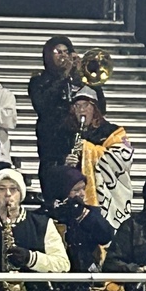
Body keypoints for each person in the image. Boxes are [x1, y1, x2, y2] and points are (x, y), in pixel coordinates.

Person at [64, 85, 133, 230]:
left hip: (107, 197)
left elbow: (124, 157)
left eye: (85, 105)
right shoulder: (69, 133)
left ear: (95, 109)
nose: (81, 110)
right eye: (77, 106)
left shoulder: (112, 131)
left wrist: (89, 150)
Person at [28, 36, 87, 189]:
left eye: (66, 52)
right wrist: (63, 76)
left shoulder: (79, 80)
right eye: (58, 52)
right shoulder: (38, 80)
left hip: (78, 138)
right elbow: (41, 105)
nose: (63, 56)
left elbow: (100, 106)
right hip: (51, 142)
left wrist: (81, 75)